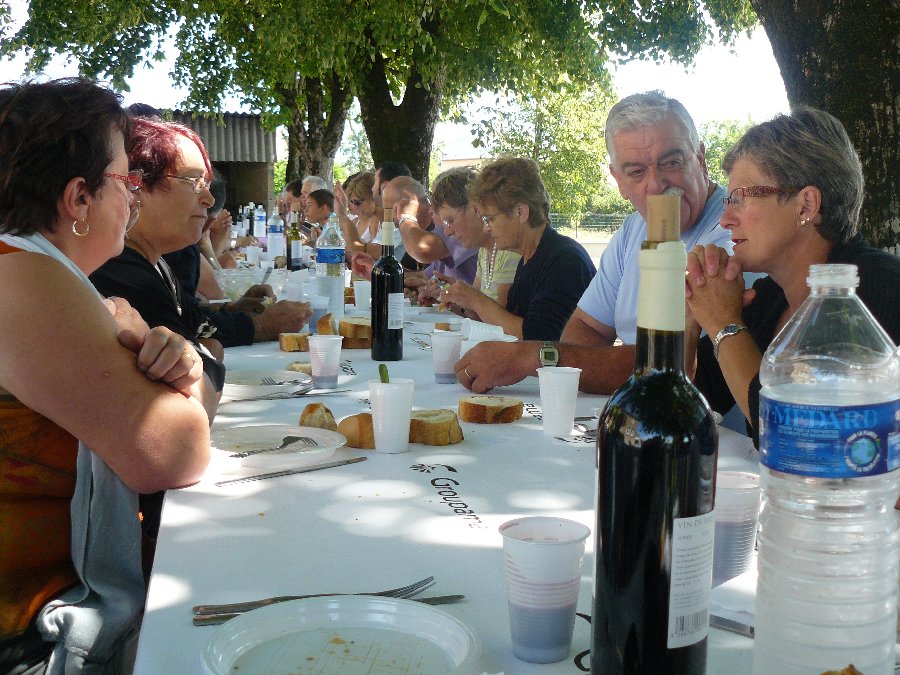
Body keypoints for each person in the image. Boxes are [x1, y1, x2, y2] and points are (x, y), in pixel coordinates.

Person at [0, 78, 210, 672]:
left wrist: (172, 358)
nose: (133, 200)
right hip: (28, 639)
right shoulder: (24, 277)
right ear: (78, 198)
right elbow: (177, 452)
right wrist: (181, 374)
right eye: (126, 182)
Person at [456, 92, 732, 393]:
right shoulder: (633, 230)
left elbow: (682, 367)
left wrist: (531, 358)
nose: (655, 185)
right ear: (619, 181)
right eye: (636, 172)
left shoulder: (733, 234)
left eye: (672, 162)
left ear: (701, 160)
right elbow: (584, 329)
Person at [686, 106, 900, 447]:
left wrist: (723, 323)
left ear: (806, 205)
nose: (725, 219)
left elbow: (797, 435)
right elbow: (685, 410)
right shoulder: (769, 299)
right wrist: (693, 313)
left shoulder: (876, 288)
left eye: (740, 199)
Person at [93, 119, 312, 352]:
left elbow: (193, 321)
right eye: (195, 183)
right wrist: (264, 325)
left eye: (206, 184)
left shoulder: (155, 264)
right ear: (139, 187)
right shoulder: (122, 271)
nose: (210, 199)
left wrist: (233, 309)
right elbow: (194, 351)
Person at [451, 157, 595, 343]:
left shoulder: (565, 261)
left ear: (521, 212)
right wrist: (462, 302)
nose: (486, 228)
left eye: (490, 219)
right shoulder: (529, 258)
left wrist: (476, 300)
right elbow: (509, 324)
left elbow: (538, 339)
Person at [419, 166, 521, 316]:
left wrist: (470, 296)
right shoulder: (485, 251)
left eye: (450, 220)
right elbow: (475, 316)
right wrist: (449, 295)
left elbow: (503, 322)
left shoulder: (509, 250)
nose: (447, 232)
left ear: (475, 208)